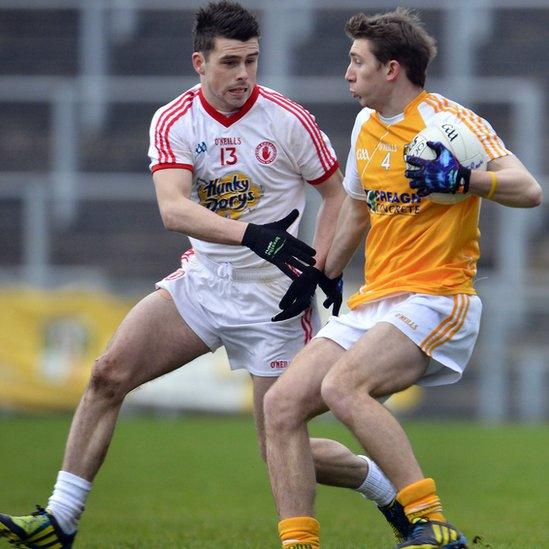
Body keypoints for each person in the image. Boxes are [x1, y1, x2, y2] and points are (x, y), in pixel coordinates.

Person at [0, 3, 412, 548]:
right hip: (205, 285)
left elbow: (336, 195)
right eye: (230, 63)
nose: (243, 75)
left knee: (280, 447)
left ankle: (384, 490)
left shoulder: (286, 118)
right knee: (107, 375)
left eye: (252, 61)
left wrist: (318, 269)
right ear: (200, 62)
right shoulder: (174, 120)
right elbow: (173, 211)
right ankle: (61, 518)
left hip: (277, 301)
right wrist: (254, 235)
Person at [264, 7, 543, 549]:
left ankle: (431, 524)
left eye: (357, 61)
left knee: (344, 386)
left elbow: (528, 189)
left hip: (439, 297)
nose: (347, 72)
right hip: (377, 300)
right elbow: (357, 210)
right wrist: (324, 273)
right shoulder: (366, 124)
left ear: (391, 69)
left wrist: (468, 177)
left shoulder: (449, 123)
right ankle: (299, 543)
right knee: (279, 410)